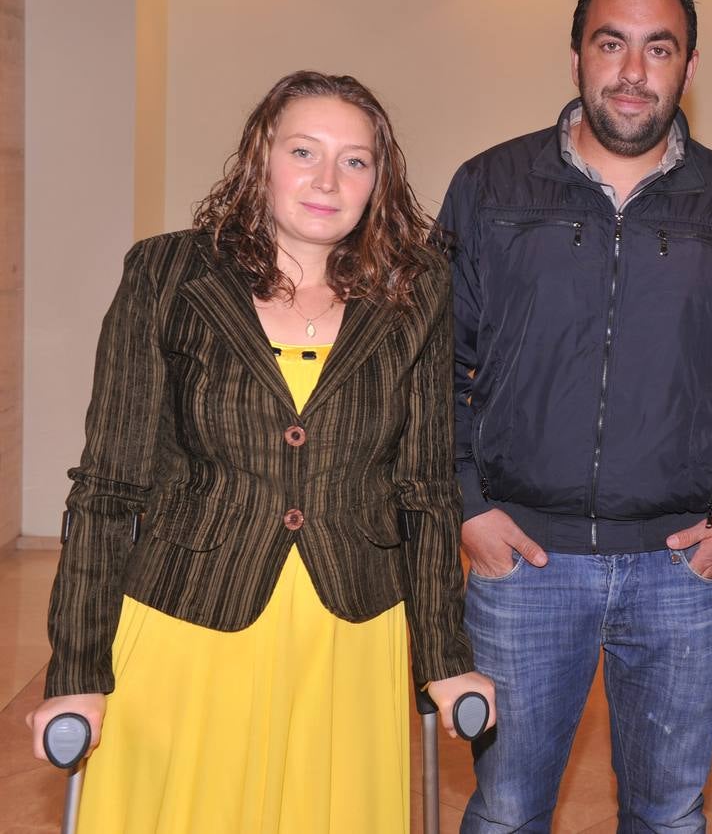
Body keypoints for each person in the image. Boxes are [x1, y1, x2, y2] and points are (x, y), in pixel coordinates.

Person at [26, 70, 494, 833]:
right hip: (189, 618)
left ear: (379, 180)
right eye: (303, 151)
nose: (327, 179)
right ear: (259, 158)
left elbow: (426, 489)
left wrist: (445, 654)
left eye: (355, 160)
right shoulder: (167, 273)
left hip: (351, 630)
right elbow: (108, 486)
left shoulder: (416, 291)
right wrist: (77, 669)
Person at [441, 0, 712, 833]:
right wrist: (465, 505)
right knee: (505, 814)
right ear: (575, 56)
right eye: (611, 44)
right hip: (524, 563)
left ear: (690, 66)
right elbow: (434, 367)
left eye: (660, 49)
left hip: (680, 570)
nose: (633, 72)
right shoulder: (490, 189)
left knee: (669, 816)